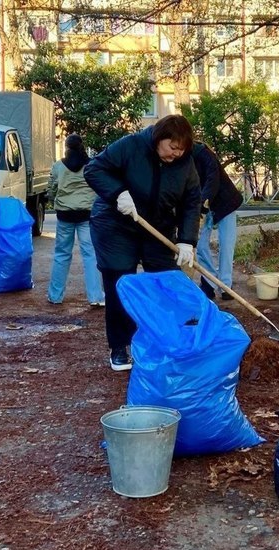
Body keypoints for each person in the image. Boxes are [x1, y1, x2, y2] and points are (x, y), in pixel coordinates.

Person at [84, 115, 201, 372]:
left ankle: (166, 342)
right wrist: (117, 193)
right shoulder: (131, 145)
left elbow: (191, 201)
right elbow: (93, 169)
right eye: (173, 147)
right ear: (160, 138)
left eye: (182, 150)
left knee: (166, 282)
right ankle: (120, 347)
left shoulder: (184, 164)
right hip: (116, 224)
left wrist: (186, 241)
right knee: (121, 283)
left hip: (157, 229)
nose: (177, 154)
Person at [47, 134, 105, 307]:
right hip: (86, 215)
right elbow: (99, 186)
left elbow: (51, 189)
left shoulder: (58, 166)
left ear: (66, 147)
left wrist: (55, 198)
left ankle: (55, 296)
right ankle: (95, 297)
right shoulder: (90, 165)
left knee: (61, 254)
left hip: (64, 215)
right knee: (90, 255)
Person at [192, 142, 243, 300]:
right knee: (200, 245)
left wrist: (203, 201)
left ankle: (225, 285)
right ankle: (209, 281)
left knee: (227, 244)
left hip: (225, 202)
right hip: (201, 204)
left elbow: (212, 179)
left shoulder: (203, 153)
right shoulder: (177, 158)